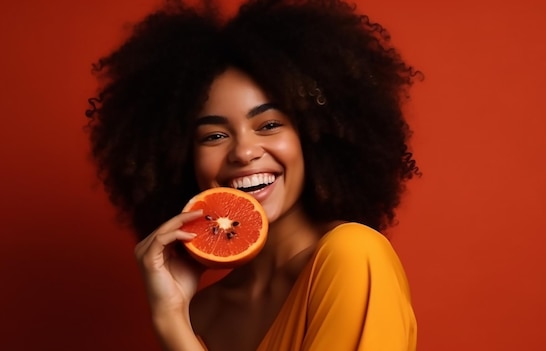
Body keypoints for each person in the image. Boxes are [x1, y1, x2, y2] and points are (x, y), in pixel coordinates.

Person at [86, 0, 421, 350]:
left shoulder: (352, 256)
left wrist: (172, 327)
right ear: (180, 159)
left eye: (270, 125)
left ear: (315, 136)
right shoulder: (201, 312)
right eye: (214, 136)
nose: (244, 152)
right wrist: (170, 313)